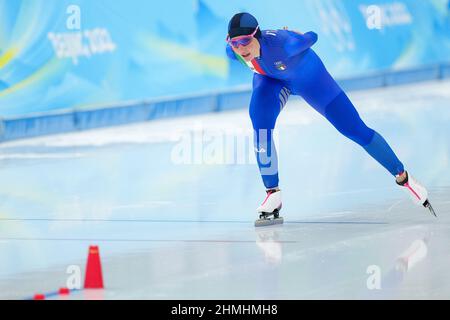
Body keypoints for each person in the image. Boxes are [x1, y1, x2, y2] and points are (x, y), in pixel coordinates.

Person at [225, 12, 436, 222]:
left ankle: (404, 178)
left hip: (311, 79)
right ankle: (272, 194)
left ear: (257, 35)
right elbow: (238, 51)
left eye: (245, 41)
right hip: (272, 80)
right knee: (260, 121)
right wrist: (238, 48)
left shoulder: (286, 44)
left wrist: (298, 35)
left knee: (354, 130)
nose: (241, 48)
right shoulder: (233, 52)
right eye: (235, 43)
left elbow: (313, 36)